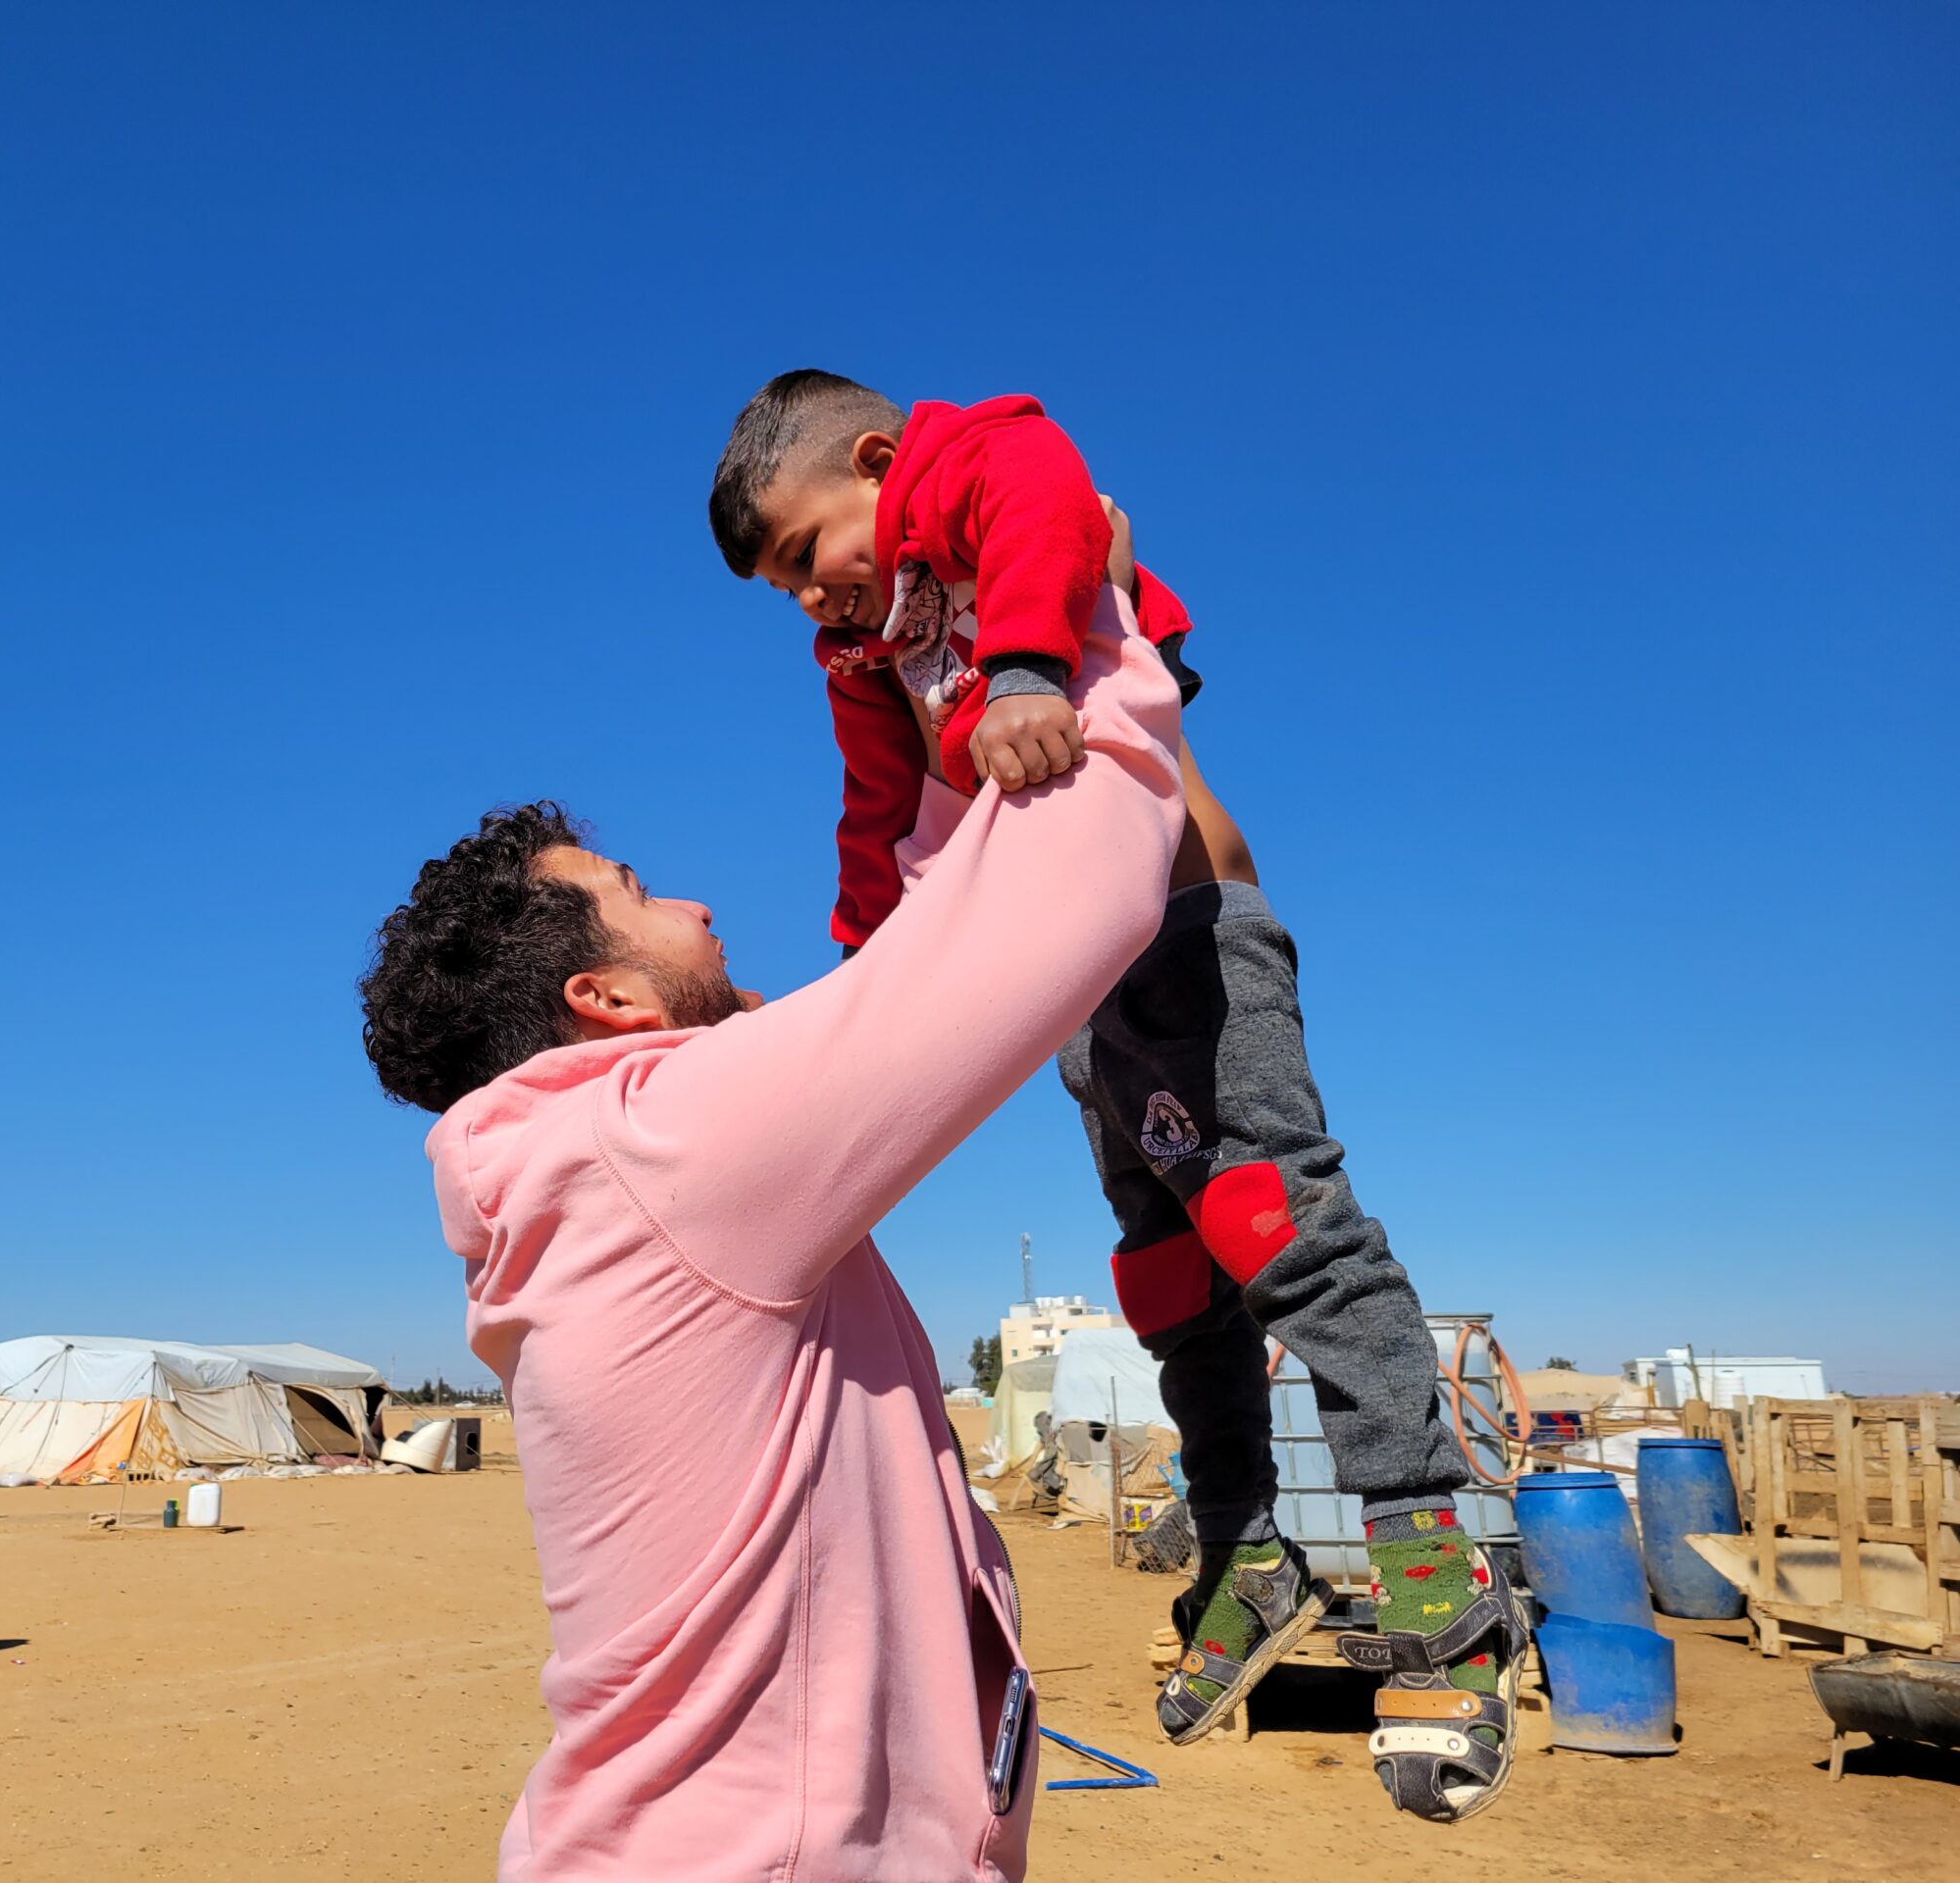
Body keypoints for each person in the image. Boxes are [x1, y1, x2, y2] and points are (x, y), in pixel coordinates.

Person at [709, 370, 1527, 1824]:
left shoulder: (981, 475)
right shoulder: (874, 658)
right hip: (1084, 987)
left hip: (1193, 938)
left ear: (880, 466)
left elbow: (1051, 507)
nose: (803, 601)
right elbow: (877, 819)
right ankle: (1242, 1545)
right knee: (1162, 1273)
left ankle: (1435, 1563)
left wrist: (1023, 665)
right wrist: (851, 988)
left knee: (1281, 1229)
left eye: (799, 554)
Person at [362, 614, 1183, 1881]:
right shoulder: (658, 1149)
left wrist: (930, 722)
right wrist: (1097, 636)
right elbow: (1066, 903)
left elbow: (913, 961)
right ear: (610, 1002)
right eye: (641, 894)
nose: (696, 902)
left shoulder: (592, 1177)